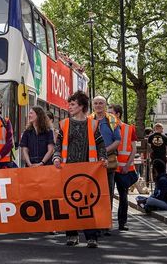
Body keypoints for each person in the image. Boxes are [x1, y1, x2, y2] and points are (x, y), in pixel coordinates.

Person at [52, 91, 107, 248]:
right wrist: (56, 157)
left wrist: (102, 158)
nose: (69, 107)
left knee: (87, 204)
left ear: (81, 106)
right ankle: (71, 235)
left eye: (73, 104)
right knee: (69, 202)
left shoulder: (92, 124)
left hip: (88, 170)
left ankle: (91, 237)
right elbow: (58, 144)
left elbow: (100, 144)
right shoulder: (64, 124)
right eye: (69, 104)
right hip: (68, 169)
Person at [90, 96, 121, 236]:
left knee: (107, 192)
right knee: (93, 193)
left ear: (105, 105)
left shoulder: (112, 120)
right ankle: (94, 222)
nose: (98, 106)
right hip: (92, 162)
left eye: (101, 103)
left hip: (108, 161)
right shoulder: (89, 119)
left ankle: (106, 223)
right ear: (92, 105)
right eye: (96, 103)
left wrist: (104, 151)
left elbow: (117, 140)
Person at [108, 104, 137, 231]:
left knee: (123, 196)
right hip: (109, 167)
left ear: (118, 114)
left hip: (123, 169)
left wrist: (127, 165)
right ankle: (106, 224)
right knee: (107, 196)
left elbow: (133, 149)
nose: (107, 115)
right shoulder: (105, 127)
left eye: (110, 112)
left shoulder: (129, 128)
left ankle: (122, 222)